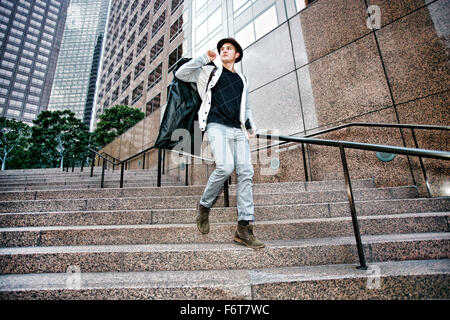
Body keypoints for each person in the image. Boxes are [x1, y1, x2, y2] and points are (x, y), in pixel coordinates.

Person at [175, 38, 264, 249]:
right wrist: (204, 58)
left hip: (238, 130)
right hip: (216, 126)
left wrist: (251, 128)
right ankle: (204, 206)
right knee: (225, 167)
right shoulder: (209, 72)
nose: (224, 51)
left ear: (237, 55)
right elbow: (181, 74)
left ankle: (243, 228)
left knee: (246, 172)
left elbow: (246, 107)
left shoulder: (243, 78)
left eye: (228, 48)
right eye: (221, 48)